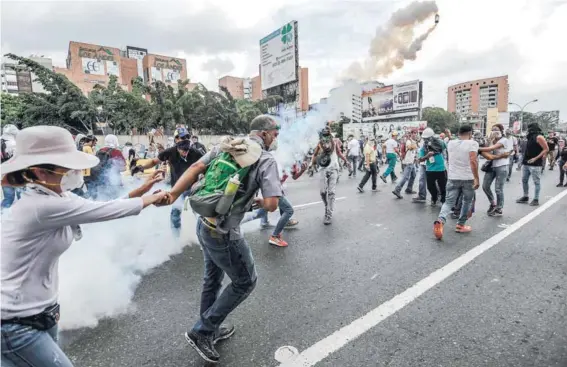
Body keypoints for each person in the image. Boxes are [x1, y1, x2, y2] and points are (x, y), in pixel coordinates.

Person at [0, 126, 166, 367]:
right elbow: (104, 212)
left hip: (40, 314)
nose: (74, 171)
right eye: (65, 166)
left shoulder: (58, 198)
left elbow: (102, 207)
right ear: (39, 172)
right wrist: (150, 200)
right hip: (15, 323)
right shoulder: (40, 206)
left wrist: (143, 189)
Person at [158, 115, 283, 363]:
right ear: (266, 133)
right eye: (275, 134)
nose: (275, 139)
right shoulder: (266, 160)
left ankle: (210, 329)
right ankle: (202, 331)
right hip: (225, 232)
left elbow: (195, 169)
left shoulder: (226, 145)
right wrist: (256, 201)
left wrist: (173, 194)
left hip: (203, 223)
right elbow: (271, 204)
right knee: (245, 281)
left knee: (212, 279)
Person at [131, 127, 204, 237]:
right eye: (182, 149)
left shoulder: (196, 153)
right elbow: (154, 161)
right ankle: (175, 240)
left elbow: (207, 168)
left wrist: (201, 180)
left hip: (194, 188)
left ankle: (203, 238)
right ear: (176, 141)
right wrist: (141, 167)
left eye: (187, 149)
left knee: (200, 214)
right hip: (177, 189)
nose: (185, 152)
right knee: (175, 214)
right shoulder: (170, 152)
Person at [433, 124, 480, 239]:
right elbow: (473, 161)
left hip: (453, 177)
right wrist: (476, 178)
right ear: (470, 134)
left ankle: (440, 220)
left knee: (448, 202)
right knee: (467, 201)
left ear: (459, 133)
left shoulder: (450, 143)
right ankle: (460, 225)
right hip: (467, 178)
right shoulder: (473, 143)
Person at [311, 127, 350, 224]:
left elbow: (339, 153)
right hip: (323, 169)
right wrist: (312, 164)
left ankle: (328, 215)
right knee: (323, 192)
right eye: (324, 135)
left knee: (331, 192)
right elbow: (315, 155)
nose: (326, 137)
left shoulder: (334, 142)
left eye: (327, 135)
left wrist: (346, 161)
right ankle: (326, 205)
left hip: (333, 169)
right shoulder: (320, 143)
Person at [479, 124, 511, 216]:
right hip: (491, 166)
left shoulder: (504, 140)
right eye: (492, 130)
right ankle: (493, 203)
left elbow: (490, 149)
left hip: (502, 166)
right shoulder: (492, 141)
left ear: (501, 131)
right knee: (485, 186)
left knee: (498, 189)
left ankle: (499, 208)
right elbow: (487, 152)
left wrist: (475, 148)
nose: (494, 131)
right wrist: (489, 141)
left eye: (496, 130)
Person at [516, 123, 549, 206]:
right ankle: (525, 196)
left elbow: (546, 149)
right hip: (526, 162)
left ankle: (536, 199)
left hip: (535, 163)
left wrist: (536, 158)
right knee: (524, 180)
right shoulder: (528, 137)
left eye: (530, 128)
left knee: (536, 182)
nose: (528, 130)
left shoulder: (539, 137)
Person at [88, 134, 126, 200]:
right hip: (114, 182)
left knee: (103, 202)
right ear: (115, 141)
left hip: (101, 181)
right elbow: (123, 168)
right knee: (115, 202)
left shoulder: (99, 151)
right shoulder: (117, 152)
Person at [418, 128, 447, 206]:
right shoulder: (424, 147)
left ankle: (443, 200)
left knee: (443, 186)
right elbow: (420, 159)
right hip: (430, 169)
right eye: (425, 138)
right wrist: (427, 155)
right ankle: (434, 197)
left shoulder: (440, 143)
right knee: (430, 187)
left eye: (428, 138)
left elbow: (446, 147)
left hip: (441, 169)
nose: (426, 140)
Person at [392, 129, 418, 198]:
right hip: (408, 162)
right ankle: (397, 190)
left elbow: (413, 152)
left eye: (416, 133)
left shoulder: (412, 141)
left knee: (413, 175)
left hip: (411, 162)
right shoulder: (408, 141)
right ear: (411, 134)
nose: (415, 134)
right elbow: (410, 147)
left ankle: (409, 189)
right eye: (414, 133)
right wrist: (415, 144)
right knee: (405, 177)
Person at [1, 124, 21, 210]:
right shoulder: (14, 144)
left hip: (4, 174)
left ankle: (2, 217)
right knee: (22, 198)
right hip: (17, 174)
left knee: (8, 199)